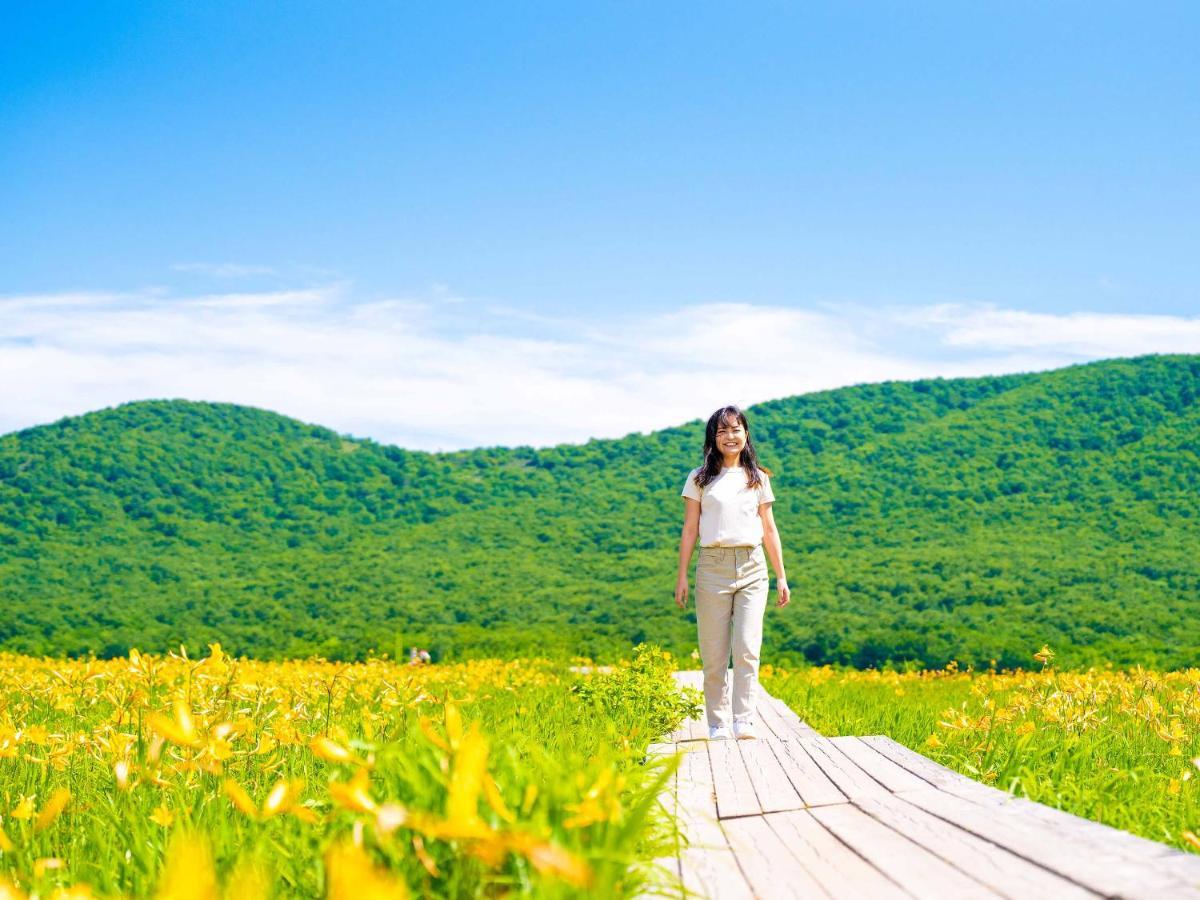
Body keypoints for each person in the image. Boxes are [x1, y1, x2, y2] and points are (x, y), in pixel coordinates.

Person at [675, 405, 790, 741]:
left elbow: (769, 528)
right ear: (714, 437)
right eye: (722, 431)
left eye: (735, 429)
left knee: (746, 646)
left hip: (753, 565)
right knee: (713, 651)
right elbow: (689, 529)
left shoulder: (758, 478)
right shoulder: (700, 478)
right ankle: (717, 723)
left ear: (746, 434)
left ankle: (744, 720)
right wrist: (682, 575)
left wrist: (781, 575)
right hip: (712, 566)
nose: (730, 436)